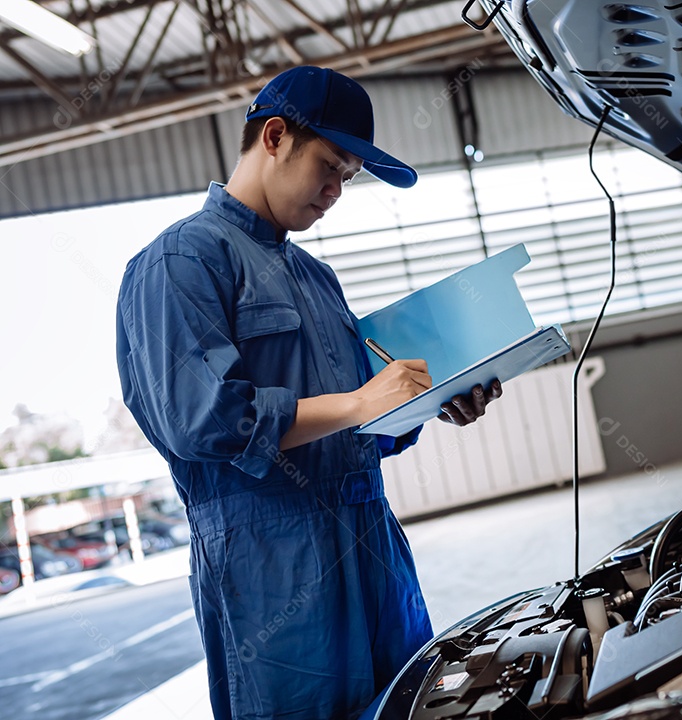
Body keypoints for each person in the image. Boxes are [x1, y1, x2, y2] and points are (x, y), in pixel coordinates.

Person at [116, 66, 501, 719]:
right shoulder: (180, 262)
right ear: (274, 137)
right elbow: (200, 418)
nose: (335, 192)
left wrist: (429, 405)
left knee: (410, 705)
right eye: (328, 166)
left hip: (371, 543)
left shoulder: (317, 277)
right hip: (271, 567)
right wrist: (358, 403)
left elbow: (357, 420)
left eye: (347, 177)